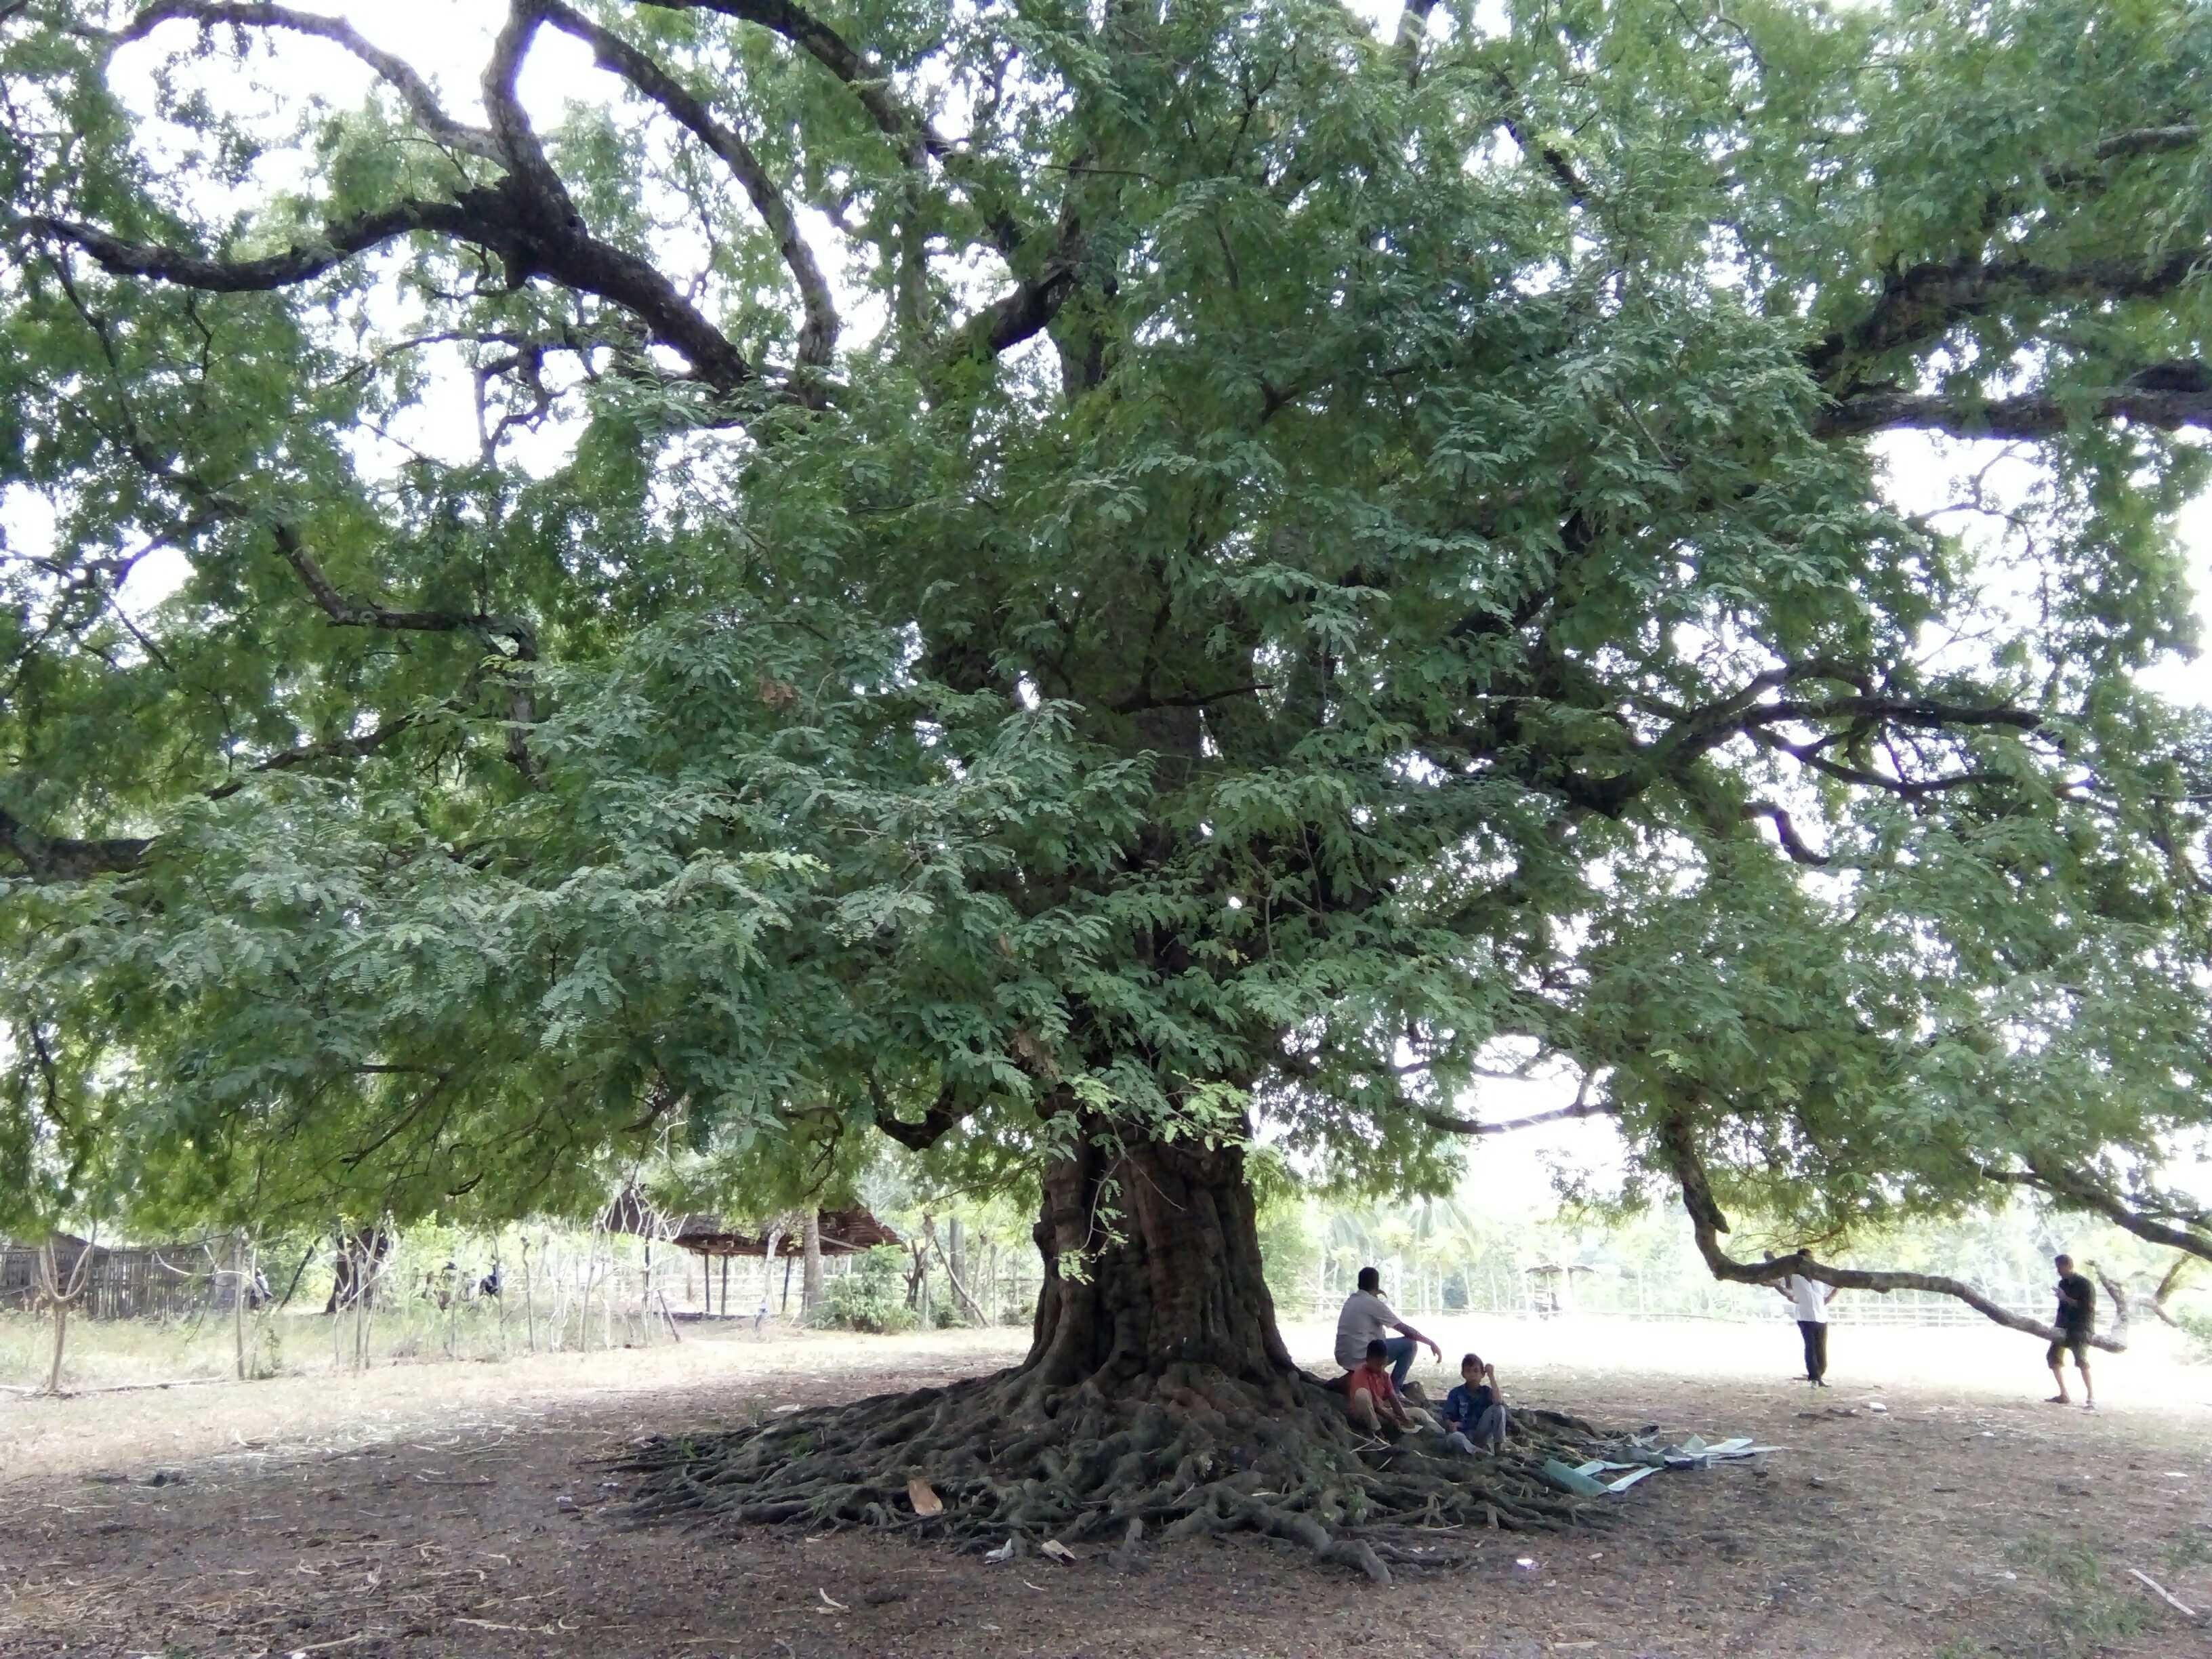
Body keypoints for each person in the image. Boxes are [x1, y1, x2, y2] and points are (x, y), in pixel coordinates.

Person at [1334, 1266, 1442, 1391]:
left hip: (1344, 1357)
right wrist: (1430, 1342)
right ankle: (1394, 1389)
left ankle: (1360, 1378)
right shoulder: (1372, 1303)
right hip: (1360, 1357)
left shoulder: (1352, 1300)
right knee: (1410, 1344)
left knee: (1380, 1342)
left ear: (1359, 1284)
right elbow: (1404, 1329)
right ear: (1377, 1285)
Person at [1343, 1338, 1439, 1437]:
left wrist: (1404, 1418)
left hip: (1382, 1412)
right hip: (1364, 1414)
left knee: (1420, 1413)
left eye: (1383, 1364)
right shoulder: (1360, 1374)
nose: (1381, 1368)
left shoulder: (1384, 1375)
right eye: (1377, 1365)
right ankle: (1377, 1431)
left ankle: (1441, 1433)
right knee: (1362, 1394)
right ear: (1368, 1361)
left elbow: (1393, 1399)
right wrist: (1392, 1419)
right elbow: (1374, 1405)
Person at [2047, 1254, 2096, 1410]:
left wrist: (2065, 1298)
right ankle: (2064, 1394)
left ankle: (2091, 1397)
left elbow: (2088, 1307)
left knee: (2081, 1361)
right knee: (2053, 1357)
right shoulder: (2062, 1283)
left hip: (2081, 1327)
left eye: (2059, 1267)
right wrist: (2057, 1326)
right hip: (2063, 1326)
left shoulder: (2085, 1284)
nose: (2058, 1271)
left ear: (2068, 1265)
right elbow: (2062, 1308)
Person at [1440, 1352, 1510, 1454]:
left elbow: (1498, 1402)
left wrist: (1491, 1376)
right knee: (1454, 1438)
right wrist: (1452, 1425)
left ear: (1482, 1374)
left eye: (1476, 1371)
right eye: (1468, 1371)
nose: (1472, 1374)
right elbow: (1447, 1417)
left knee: (1499, 1409)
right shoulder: (1456, 1393)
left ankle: (1498, 1447)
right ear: (1463, 1374)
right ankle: (1478, 1452)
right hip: (1463, 1433)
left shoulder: (1486, 1391)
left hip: (1480, 1432)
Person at [1776, 1270, 1835, 1385]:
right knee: (1811, 1347)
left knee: (1821, 1348)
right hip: (1805, 1317)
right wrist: (1780, 1289)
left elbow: (1829, 1293)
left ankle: (1819, 1373)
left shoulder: (1819, 1277)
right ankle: (1815, 1378)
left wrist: (1836, 1291)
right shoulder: (1793, 1277)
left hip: (1821, 1316)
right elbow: (1786, 1291)